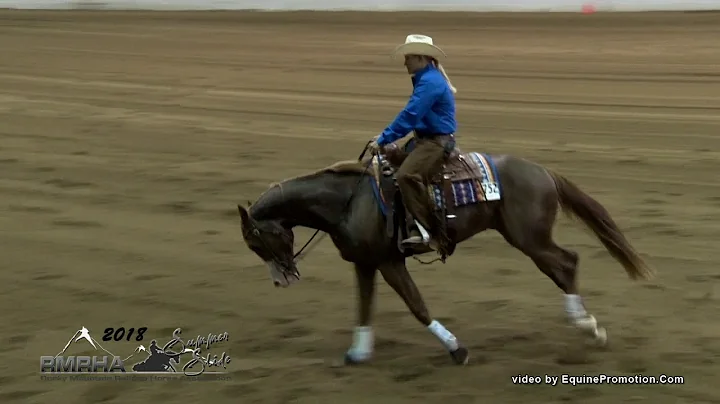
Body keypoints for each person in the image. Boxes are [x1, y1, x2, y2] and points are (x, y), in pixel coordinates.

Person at [368, 34, 458, 248]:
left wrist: (383, 138)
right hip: (426, 139)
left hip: (435, 143)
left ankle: (428, 232)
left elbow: (410, 115)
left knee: (407, 175)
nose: (405, 61)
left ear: (420, 58)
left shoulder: (429, 83)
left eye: (408, 57)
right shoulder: (427, 79)